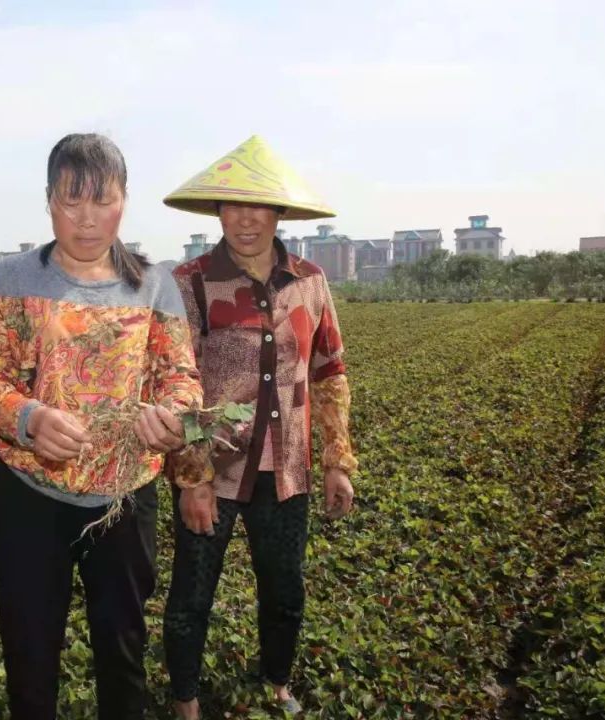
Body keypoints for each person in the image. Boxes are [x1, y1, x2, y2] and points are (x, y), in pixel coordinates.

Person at [0, 133, 203, 719]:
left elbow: (183, 378)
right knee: (29, 653)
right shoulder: (11, 279)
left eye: (103, 200)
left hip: (123, 498)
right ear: (49, 200)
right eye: (72, 201)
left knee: (122, 649)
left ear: (125, 199)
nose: (88, 219)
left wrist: (172, 416)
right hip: (28, 495)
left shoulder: (153, 284)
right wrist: (29, 417)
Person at [160, 135, 358, 717]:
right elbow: (173, 381)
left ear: (280, 213)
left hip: (285, 470)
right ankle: (185, 700)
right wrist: (191, 476)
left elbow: (330, 373)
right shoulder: (189, 281)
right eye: (231, 205)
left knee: (285, 591)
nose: (245, 219)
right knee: (192, 596)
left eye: (259, 206)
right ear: (216, 212)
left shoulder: (310, 280)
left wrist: (336, 461)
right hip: (214, 470)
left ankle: (277, 679)